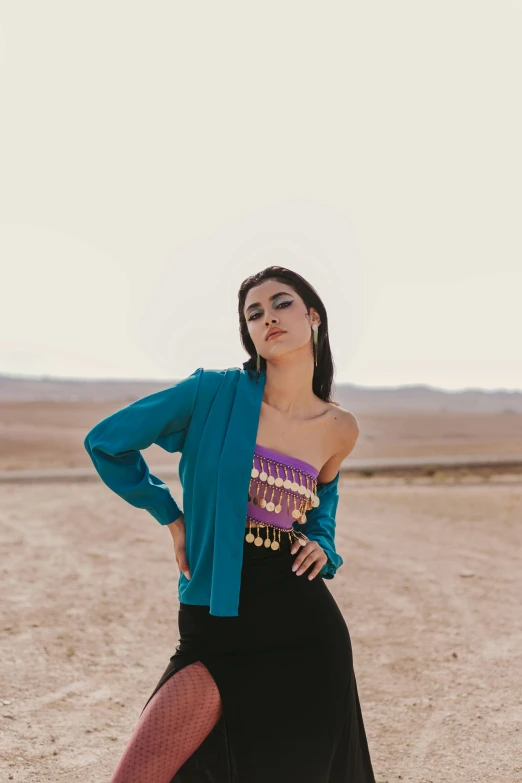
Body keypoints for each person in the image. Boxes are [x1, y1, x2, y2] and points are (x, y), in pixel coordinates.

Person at [84, 266, 376, 783]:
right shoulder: (211, 394)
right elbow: (107, 442)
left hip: (304, 630)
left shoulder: (338, 428)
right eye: (254, 313)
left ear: (313, 316)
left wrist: (323, 544)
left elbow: (323, 498)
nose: (268, 318)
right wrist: (171, 518)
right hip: (215, 621)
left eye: (281, 304)